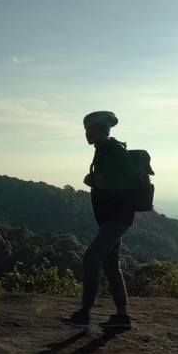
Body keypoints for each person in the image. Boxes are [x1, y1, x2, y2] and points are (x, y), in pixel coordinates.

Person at [63, 111, 141, 329]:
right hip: (110, 217)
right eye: (85, 129)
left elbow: (134, 182)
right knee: (110, 264)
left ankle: (84, 314)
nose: (87, 134)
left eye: (90, 129)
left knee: (91, 259)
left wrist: (103, 184)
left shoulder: (115, 151)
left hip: (119, 217)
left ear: (102, 130)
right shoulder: (102, 151)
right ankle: (122, 317)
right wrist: (96, 183)